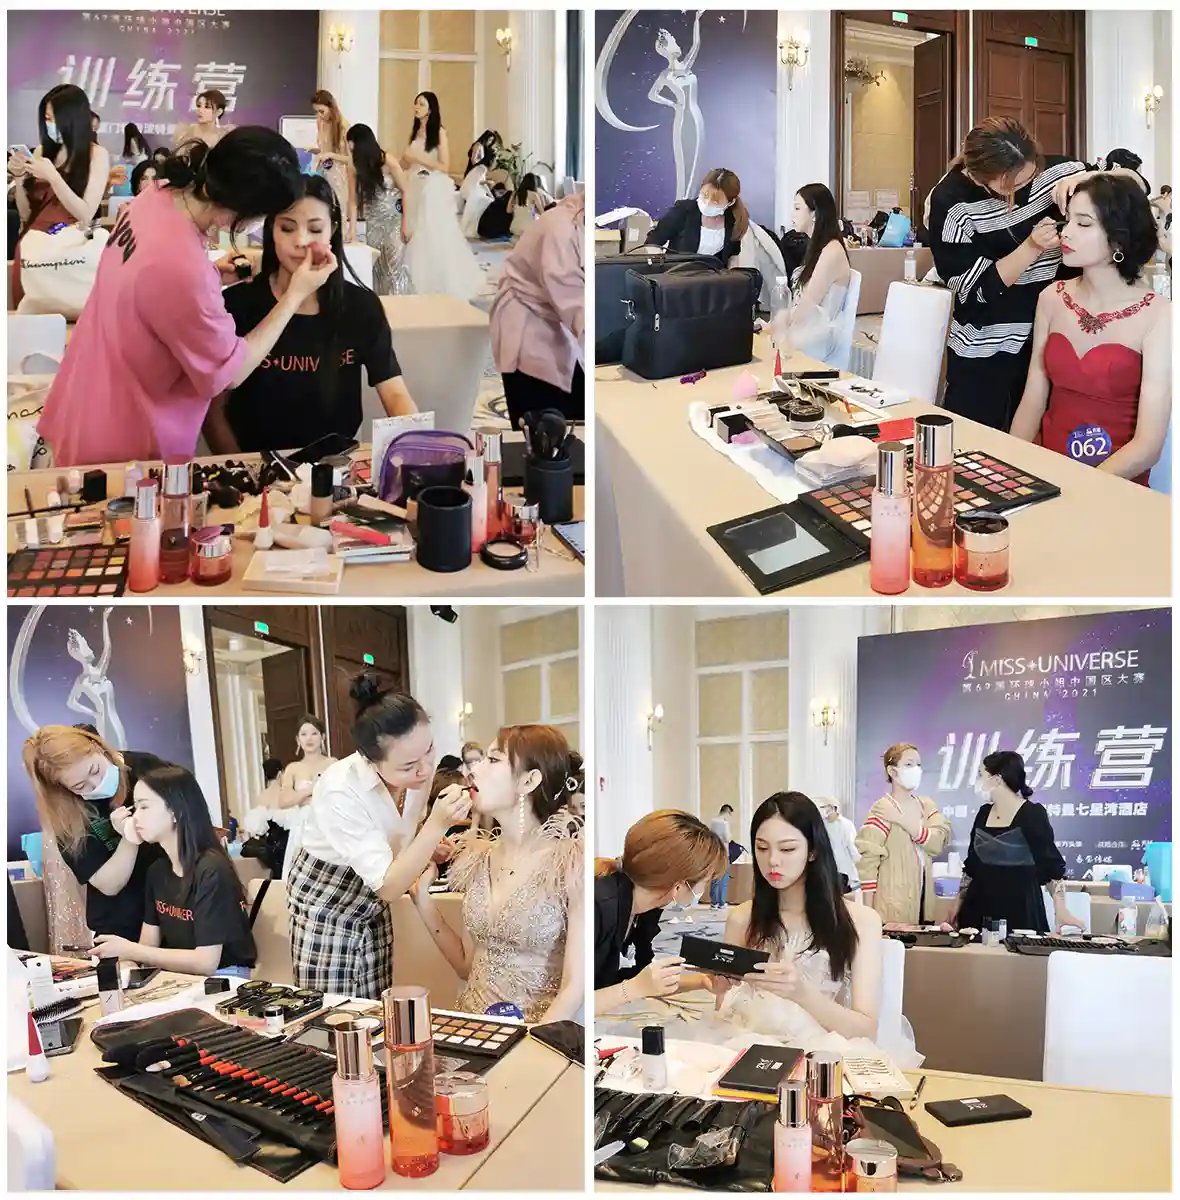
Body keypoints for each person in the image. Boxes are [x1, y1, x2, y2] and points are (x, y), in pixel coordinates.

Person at [39, 131, 336, 467]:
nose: (300, 241)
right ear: (238, 215)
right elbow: (230, 372)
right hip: (126, 438)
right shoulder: (182, 268)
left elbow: (146, 287)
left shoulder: (157, 195)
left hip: (86, 395)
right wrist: (295, 295)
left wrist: (211, 274)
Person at [286, 673, 471, 998]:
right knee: (332, 1009)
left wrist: (425, 843)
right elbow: (389, 887)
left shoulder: (419, 769)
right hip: (327, 900)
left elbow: (400, 831)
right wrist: (436, 826)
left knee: (375, 1002)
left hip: (374, 899)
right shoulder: (340, 788)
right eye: (408, 765)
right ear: (371, 761)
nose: (425, 768)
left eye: (429, 749)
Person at [204, 173, 416, 454]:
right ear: (271, 230)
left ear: (333, 231)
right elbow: (213, 409)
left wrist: (416, 443)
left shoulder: (360, 307)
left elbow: (394, 391)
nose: (301, 240)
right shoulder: (239, 304)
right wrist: (239, 465)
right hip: (257, 462)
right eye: (287, 228)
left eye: (315, 229)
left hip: (337, 463)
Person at [411, 726, 585, 1021]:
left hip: (538, 1033)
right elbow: (467, 966)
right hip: (474, 1026)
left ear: (529, 781)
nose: (473, 770)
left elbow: (574, 987)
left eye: (492, 760)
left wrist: (533, 1042)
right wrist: (423, 902)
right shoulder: (476, 858)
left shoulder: (569, 863)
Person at [927, 118, 1089, 429]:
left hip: (1050, 342)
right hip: (986, 348)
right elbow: (975, 291)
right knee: (977, 444)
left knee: (1038, 446)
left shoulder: (1057, 172)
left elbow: (1133, 184)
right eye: (1012, 185)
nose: (1025, 187)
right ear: (979, 176)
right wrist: (1031, 247)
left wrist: (1091, 177)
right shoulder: (951, 201)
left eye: (1031, 175)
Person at [1009, 175, 1169, 485]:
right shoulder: (1052, 298)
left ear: (1118, 239)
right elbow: (1033, 399)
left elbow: (1148, 446)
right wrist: (1011, 467)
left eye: (1083, 224)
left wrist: (1079, 487)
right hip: (1044, 471)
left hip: (1113, 483)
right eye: (1068, 220)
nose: (1066, 232)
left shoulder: (1160, 314)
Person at [714, 793, 884, 1045]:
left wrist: (801, 993)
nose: (772, 861)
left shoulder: (862, 921)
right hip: (748, 1045)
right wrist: (722, 989)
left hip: (824, 1052)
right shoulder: (742, 918)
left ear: (813, 851)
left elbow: (866, 1031)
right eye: (762, 848)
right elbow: (723, 1011)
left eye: (787, 849)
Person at [90, 763, 257, 977]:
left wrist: (130, 950)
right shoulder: (158, 871)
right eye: (135, 808)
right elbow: (147, 947)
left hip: (224, 977)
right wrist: (128, 963)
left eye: (144, 807)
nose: (135, 817)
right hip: (179, 976)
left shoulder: (211, 869)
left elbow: (206, 962)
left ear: (176, 812)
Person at [22, 725, 166, 944]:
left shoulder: (146, 768)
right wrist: (129, 838)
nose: (96, 785)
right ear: (63, 788)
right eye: (81, 786)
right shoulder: (67, 818)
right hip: (121, 928)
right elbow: (109, 884)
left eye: (95, 770)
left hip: (174, 911)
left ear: (97, 746)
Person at [593, 810, 728, 1014]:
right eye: (705, 882)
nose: (704, 890)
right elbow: (577, 999)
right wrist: (633, 989)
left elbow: (643, 978)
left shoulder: (643, 910)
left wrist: (702, 980)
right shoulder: (600, 906)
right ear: (679, 886)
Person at [950, 751, 1075, 935]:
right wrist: (956, 903)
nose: (979, 781)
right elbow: (972, 865)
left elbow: (1051, 866)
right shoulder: (983, 813)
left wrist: (1061, 910)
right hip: (977, 907)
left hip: (1020, 907)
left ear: (997, 779)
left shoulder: (1032, 814)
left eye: (981, 775)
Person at [10, 84, 110, 307]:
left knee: (67, 311)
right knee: (29, 313)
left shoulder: (97, 155)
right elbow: (26, 214)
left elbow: (86, 214)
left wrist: (53, 177)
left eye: (55, 119)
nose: (50, 125)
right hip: (32, 247)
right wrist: (18, 177)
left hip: (69, 250)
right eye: (47, 118)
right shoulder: (42, 152)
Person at [490, 192, 585, 427]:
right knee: (542, 423)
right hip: (526, 324)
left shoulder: (577, 221)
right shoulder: (560, 229)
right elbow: (573, 301)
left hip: (550, 317)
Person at [400, 91, 485, 301]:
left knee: (432, 229)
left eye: (421, 104)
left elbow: (444, 166)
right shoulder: (415, 131)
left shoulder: (439, 132)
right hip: (415, 180)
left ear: (431, 108)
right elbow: (407, 160)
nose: (417, 107)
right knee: (413, 226)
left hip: (432, 183)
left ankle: (437, 278)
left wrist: (417, 158)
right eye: (416, 103)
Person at [856, 743, 951, 924]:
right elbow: (868, 863)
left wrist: (903, 821)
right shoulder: (882, 809)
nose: (916, 769)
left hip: (924, 901)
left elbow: (938, 842)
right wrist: (868, 916)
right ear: (892, 771)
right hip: (892, 905)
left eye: (918, 764)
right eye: (909, 764)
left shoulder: (926, 806)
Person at [774, 184, 852, 363]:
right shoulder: (817, 248)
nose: (792, 215)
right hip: (808, 330)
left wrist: (778, 324)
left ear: (815, 214)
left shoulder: (832, 251)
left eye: (797, 208)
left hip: (818, 338)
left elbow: (808, 305)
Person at [347, 122, 412, 295]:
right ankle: (382, 304)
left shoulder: (388, 160)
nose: (349, 148)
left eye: (350, 143)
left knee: (395, 267)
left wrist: (406, 223)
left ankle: (398, 304)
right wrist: (352, 229)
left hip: (394, 220)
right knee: (378, 268)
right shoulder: (353, 167)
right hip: (373, 223)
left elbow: (406, 191)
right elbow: (352, 201)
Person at [272, 716, 337, 881]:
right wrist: (309, 790)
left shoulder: (333, 764)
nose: (309, 738)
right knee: (300, 875)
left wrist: (302, 797)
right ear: (298, 740)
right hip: (302, 824)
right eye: (304, 734)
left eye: (314, 733)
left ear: (322, 737)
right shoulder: (293, 768)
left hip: (327, 822)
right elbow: (283, 801)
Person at [645, 167, 748, 264]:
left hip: (712, 275)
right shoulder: (684, 210)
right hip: (675, 272)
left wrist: (732, 274)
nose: (707, 203)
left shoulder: (734, 220)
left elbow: (732, 255)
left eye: (715, 202)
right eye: (705, 196)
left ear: (730, 202)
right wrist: (659, 263)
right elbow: (654, 240)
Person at [311, 90, 353, 234]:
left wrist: (330, 155)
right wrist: (317, 152)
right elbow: (323, 148)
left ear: (331, 107)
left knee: (337, 209)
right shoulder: (320, 122)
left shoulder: (343, 126)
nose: (319, 115)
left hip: (339, 176)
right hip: (323, 171)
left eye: (322, 111)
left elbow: (350, 159)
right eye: (317, 112)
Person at [818, 797, 861, 891]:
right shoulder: (822, 825)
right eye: (822, 807)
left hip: (844, 872)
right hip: (826, 870)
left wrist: (859, 869)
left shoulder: (846, 825)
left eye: (824, 807)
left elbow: (853, 848)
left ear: (834, 808)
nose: (823, 810)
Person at [708, 804, 734, 909]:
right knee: (724, 879)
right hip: (724, 853)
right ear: (727, 812)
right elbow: (727, 838)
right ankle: (722, 903)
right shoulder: (724, 823)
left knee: (715, 878)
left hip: (715, 853)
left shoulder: (713, 822)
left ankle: (714, 902)